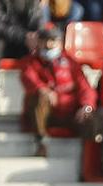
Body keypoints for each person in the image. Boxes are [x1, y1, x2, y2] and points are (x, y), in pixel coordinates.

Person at [19, 26, 95, 157]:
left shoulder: (71, 64)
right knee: (39, 98)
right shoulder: (30, 62)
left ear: (60, 43)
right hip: (45, 114)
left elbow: (86, 88)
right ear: (39, 42)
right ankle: (41, 143)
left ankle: (89, 159)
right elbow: (29, 78)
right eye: (45, 40)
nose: (49, 45)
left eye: (53, 40)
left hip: (69, 112)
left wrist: (87, 106)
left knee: (91, 116)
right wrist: (44, 90)